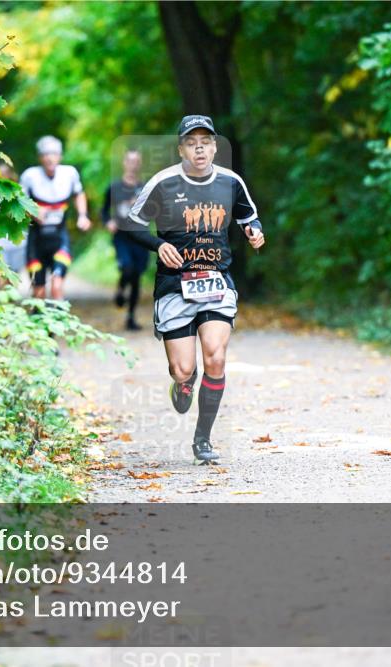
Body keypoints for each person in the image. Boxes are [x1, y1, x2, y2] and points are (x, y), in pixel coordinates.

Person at [121, 115, 265, 464]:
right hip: (175, 285)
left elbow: (249, 218)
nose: (199, 148)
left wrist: (255, 232)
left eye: (205, 141)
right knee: (183, 369)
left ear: (215, 147)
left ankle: (203, 439)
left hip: (217, 281)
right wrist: (159, 245)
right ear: (181, 148)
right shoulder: (164, 182)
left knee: (215, 354)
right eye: (191, 142)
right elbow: (132, 224)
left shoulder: (231, 182)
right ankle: (185, 381)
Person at [19, 136, 91, 300]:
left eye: (54, 154)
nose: (50, 158)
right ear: (40, 157)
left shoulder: (69, 173)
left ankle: (59, 321)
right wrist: (33, 212)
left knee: (57, 285)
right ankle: (37, 322)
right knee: (39, 291)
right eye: (45, 154)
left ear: (60, 156)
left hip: (59, 239)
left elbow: (79, 194)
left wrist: (82, 216)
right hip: (36, 241)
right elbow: (20, 205)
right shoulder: (30, 176)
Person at [101, 149, 149, 331]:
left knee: (137, 276)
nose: (133, 164)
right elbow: (104, 211)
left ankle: (131, 317)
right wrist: (108, 222)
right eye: (130, 160)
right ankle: (121, 290)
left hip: (140, 235)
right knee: (127, 268)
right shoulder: (114, 188)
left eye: (136, 161)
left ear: (139, 164)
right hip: (121, 236)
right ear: (124, 163)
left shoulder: (145, 188)